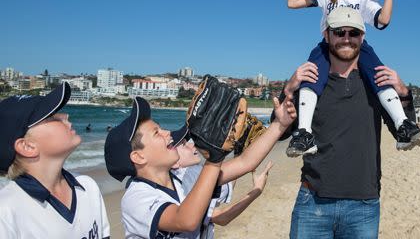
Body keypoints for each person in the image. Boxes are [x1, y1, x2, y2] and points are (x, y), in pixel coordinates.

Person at [280, 7, 420, 238]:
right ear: (327, 35)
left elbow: (401, 133)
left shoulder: (376, 84)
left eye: (353, 33)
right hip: (313, 201)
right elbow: (282, 131)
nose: (346, 38)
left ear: (362, 37)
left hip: (363, 206)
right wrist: (288, 89)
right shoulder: (310, 83)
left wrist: (403, 93)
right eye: (339, 32)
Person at [285, 0, 420, 156]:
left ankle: (403, 124)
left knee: (380, 76)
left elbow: (383, 21)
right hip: (330, 43)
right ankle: (304, 133)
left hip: (358, 44)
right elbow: (293, 2)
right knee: (310, 76)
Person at [104, 94, 296, 238]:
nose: (167, 133)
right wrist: (215, 157)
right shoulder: (136, 198)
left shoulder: (182, 177)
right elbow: (185, 220)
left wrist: (279, 125)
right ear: (138, 156)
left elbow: (246, 162)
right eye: (156, 133)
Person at [0, 83, 110, 238]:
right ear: (27, 146)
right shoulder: (6, 211)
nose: (65, 116)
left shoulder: (87, 186)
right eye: (51, 116)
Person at [169, 127, 273, 238]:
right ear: (174, 162)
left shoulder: (190, 172)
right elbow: (221, 217)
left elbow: (226, 183)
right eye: (184, 145)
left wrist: (239, 150)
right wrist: (256, 190)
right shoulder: (177, 186)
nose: (192, 145)